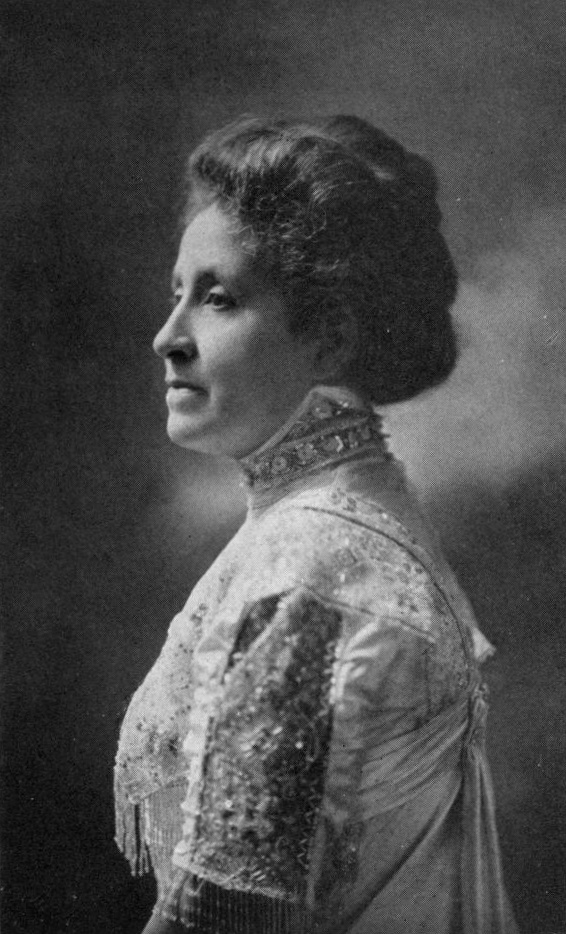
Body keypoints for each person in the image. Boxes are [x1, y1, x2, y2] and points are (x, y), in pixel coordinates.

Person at [114, 115, 518, 934]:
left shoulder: (309, 565)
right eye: (176, 295)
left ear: (329, 339)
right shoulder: (355, 519)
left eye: (217, 299)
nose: (167, 338)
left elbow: (226, 915)